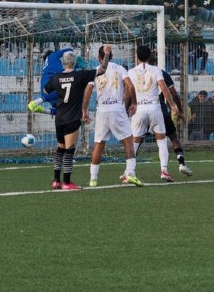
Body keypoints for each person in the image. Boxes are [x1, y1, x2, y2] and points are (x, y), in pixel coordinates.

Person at [43, 50, 106, 190]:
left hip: (59, 117)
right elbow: (102, 69)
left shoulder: (57, 77)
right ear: (74, 62)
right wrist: (106, 55)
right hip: (72, 118)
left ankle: (56, 180)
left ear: (62, 63)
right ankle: (66, 182)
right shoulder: (79, 75)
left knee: (60, 149)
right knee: (70, 151)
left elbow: (46, 90)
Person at [82, 44, 141, 186]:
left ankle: (93, 179)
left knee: (99, 144)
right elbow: (131, 86)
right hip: (117, 110)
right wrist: (134, 103)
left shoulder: (95, 71)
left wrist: (84, 110)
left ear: (98, 57)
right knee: (128, 141)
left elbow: (88, 91)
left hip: (102, 111)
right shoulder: (120, 69)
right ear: (112, 56)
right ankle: (131, 174)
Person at [127, 45, 182, 182]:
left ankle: (130, 172)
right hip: (154, 109)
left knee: (134, 141)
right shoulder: (157, 70)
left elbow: (128, 91)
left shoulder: (131, 72)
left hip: (139, 109)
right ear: (150, 56)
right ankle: (164, 171)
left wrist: (126, 107)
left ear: (137, 56)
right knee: (162, 140)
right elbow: (163, 87)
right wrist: (172, 105)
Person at [150, 51, 193, 177]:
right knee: (172, 137)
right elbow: (173, 93)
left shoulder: (135, 73)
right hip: (160, 112)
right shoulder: (161, 73)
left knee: (136, 140)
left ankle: (129, 170)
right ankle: (181, 164)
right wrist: (179, 110)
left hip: (141, 112)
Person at [28, 47, 74, 115]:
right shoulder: (52, 55)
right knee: (62, 93)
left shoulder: (48, 65)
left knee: (62, 110)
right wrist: (73, 53)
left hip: (44, 85)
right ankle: (37, 101)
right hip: (51, 82)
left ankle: (43, 110)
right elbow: (67, 50)